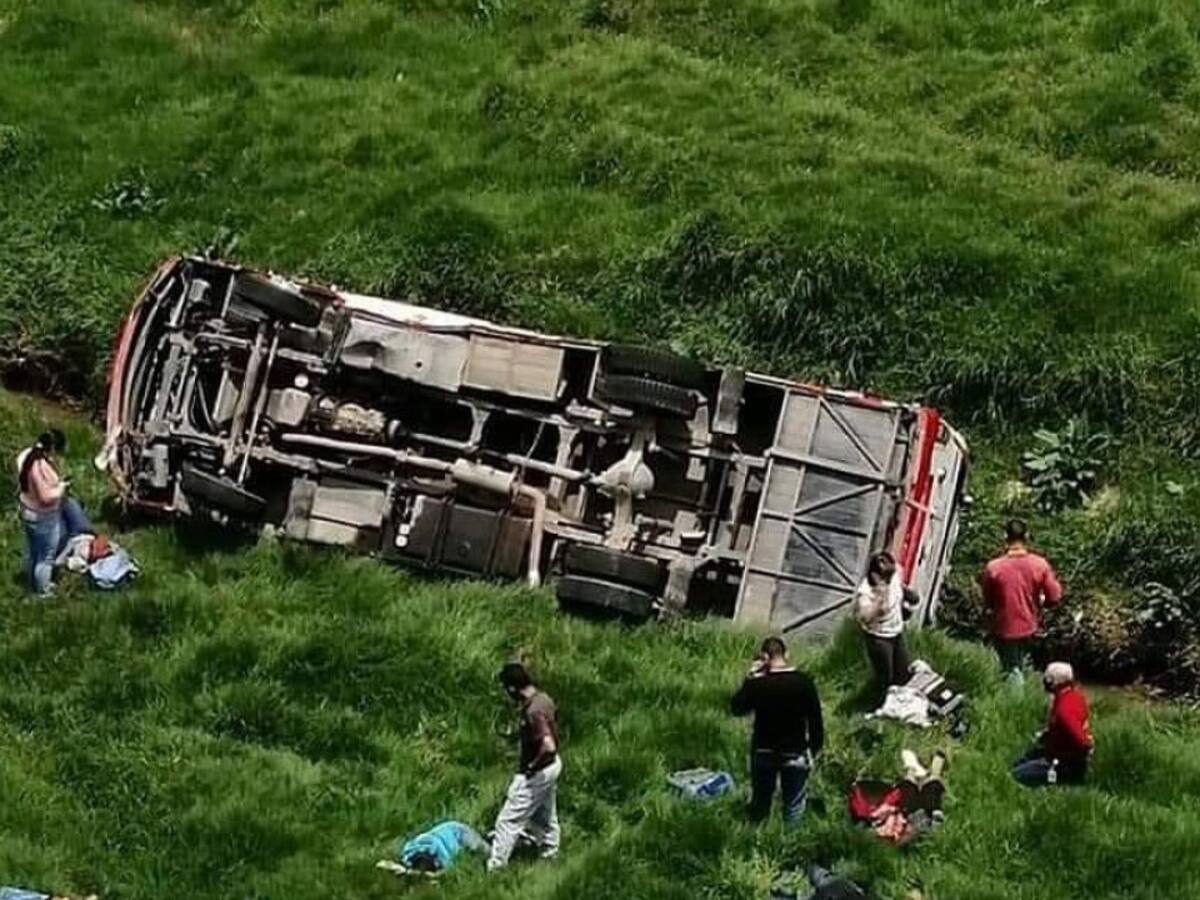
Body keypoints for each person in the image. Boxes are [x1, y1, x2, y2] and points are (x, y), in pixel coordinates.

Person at [730, 636, 825, 824]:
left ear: (764, 657)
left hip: (764, 751)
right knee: (794, 806)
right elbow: (816, 721)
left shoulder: (757, 684)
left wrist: (749, 679)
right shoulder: (804, 682)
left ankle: (757, 843)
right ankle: (790, 846)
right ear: (786, 654)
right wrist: (814, 749)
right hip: (795, 751)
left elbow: (736, 708)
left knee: (760, 803)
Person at [487, 662, 561, 871]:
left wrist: (531, 767)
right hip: (553, 766)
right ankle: (550, 854)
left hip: (539, 769)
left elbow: (548, 746)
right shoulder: (543, 699)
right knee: (546, 814)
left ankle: (496, 868)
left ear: (512, 688)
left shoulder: (533, 711)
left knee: (507, 821)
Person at [979, 519, 1063, 678]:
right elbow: (1055, 596)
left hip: (1003, 626)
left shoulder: (993, 568)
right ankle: (1022, 697)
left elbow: (988, 601)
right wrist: (1042, 603)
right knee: (1019, 666)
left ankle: (1016, 701)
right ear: (1027, 536)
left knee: (1012, 669)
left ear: (1005, 536)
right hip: (1029, 625)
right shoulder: (1040, 564)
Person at [1011, 662, 1094, 787]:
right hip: (1055, 751)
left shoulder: (1064, 710)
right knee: (1019, 762)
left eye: (1047, 679)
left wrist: (1086, 747)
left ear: (1054, 683)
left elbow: (1081, 740)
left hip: (1062, 762)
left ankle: (1065, 782)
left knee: (1015, 775)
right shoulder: (1074, 697)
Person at [16, 431, 72, 595]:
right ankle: (43, 591)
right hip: (43, 516)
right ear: (52, 448)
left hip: (27, 511)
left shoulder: (27, 456)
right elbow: (45, 497)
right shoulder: (39, 467)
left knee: (32, 550)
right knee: (46, 557)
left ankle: (30, 581)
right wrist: (61, 488)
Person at [854, 552, 913, 692]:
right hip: (879, 638)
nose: (889, 580)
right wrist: (880, 599)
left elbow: (899, 585)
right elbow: (865, 617)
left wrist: (906, 594)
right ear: (875, 575)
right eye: (885, 577)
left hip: (896, 632)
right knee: (885, 678)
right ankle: (877, 705)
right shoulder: (866, 591)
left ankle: (899, 705)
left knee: (903, 674)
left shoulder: (893, 573)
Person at [383, 820, 489, 876]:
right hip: (443, 831)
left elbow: (447, 872)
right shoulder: (409, 851)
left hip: (458, 831)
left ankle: (493, 839)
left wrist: (434, 875)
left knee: (482, 849)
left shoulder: (442, 854)